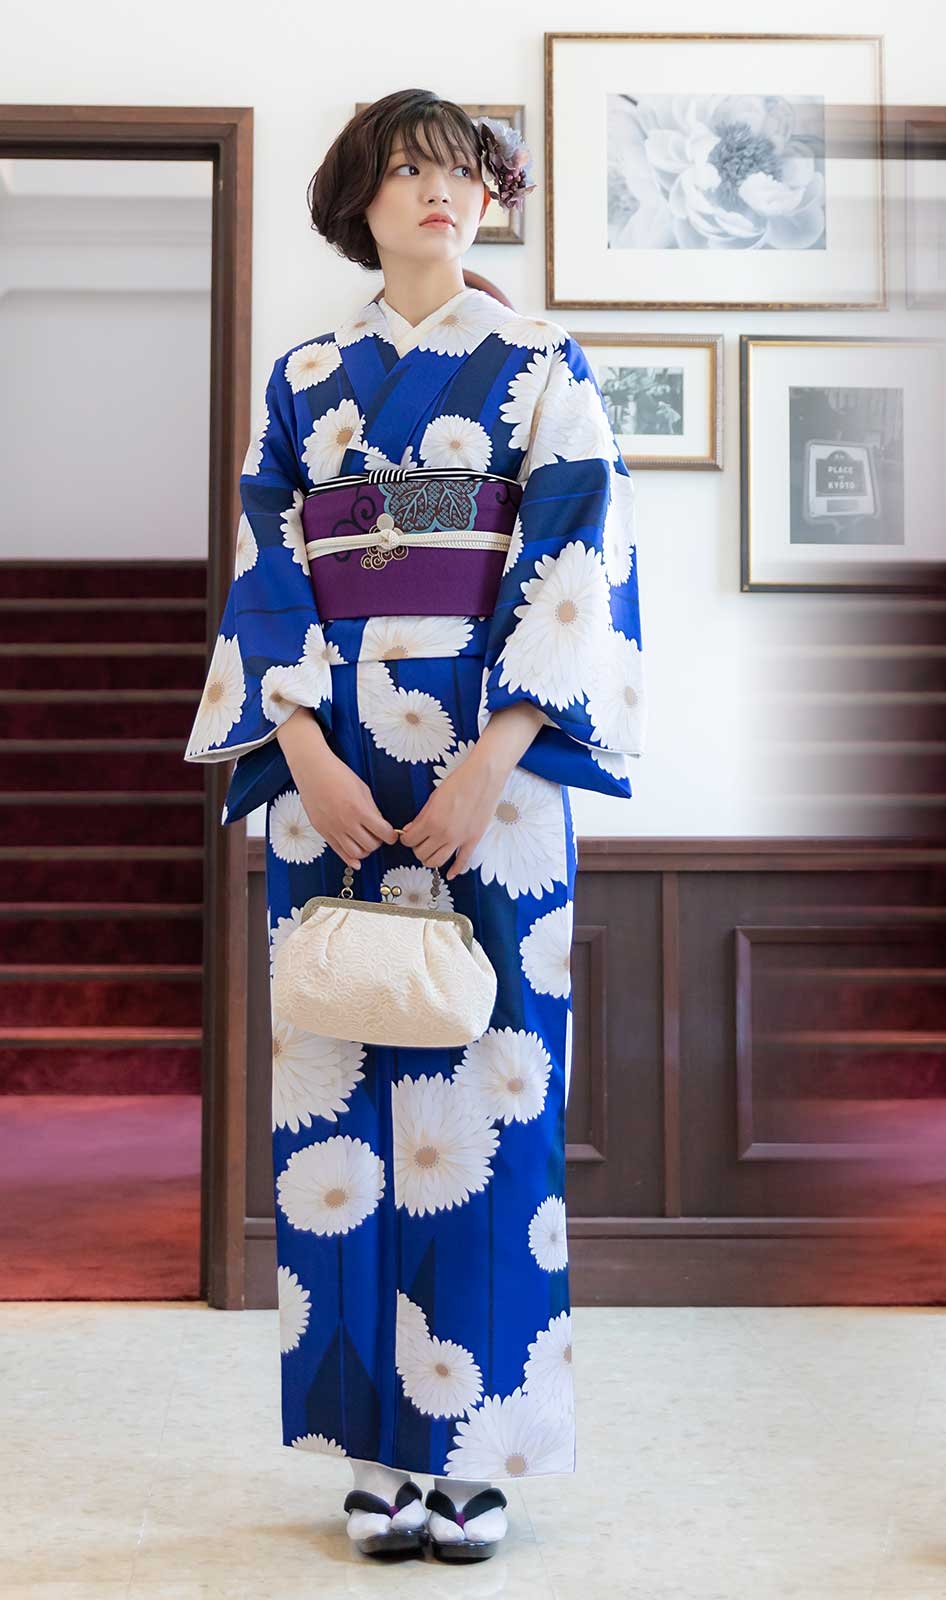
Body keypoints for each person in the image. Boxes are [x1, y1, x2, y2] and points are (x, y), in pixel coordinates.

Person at [184, 89, 645, 1562]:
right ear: (359, 202)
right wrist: (301, 750)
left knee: (492, 1094)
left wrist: (496, 758)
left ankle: (478, 1448)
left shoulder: (542, 365)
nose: (438, 192)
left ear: (490, 196)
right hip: (327, 762)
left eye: (459, 171)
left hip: (491, 771)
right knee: (335, 1088)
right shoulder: (305, 378)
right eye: (405, 170)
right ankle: (374, 1449)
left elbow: (576, 561)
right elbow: (269, 569)